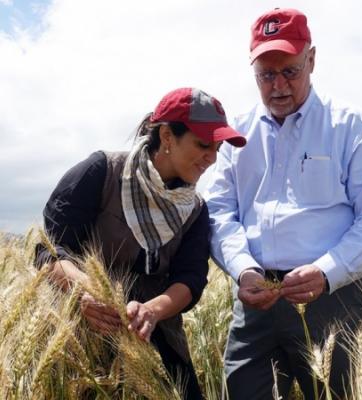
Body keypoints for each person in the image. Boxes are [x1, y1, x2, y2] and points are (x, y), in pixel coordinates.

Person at [205, 8, 362, 400]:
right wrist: (243, 270)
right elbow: (217, 212)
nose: (278, 85)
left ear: (311, 59)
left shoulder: (353, 128)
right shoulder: (236, 136)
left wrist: (327, 271)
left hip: (336, 303)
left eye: (290, 71)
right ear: (253, 70)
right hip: (255, 305)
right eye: (265, 75)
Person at [35, 87, 246, 400]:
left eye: (217, 148)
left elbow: (189, 279)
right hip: (79, 340)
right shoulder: (100, 173)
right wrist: (86, 291)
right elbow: (49, 251)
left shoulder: (196, 210)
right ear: (166, 136)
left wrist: (152, 311)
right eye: (203, 144)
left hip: (157, 342)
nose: (212, 158)